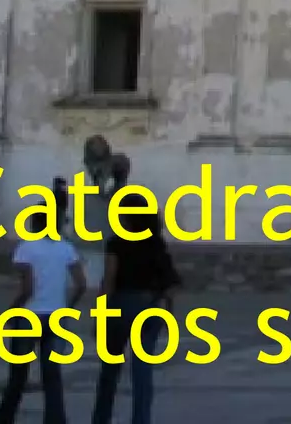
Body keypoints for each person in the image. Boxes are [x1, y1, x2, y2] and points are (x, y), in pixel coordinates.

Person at [90, 157, 178, 424]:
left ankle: (101, 418)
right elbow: (170, 284)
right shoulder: (156, 243)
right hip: (151, 306)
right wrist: (168, 316)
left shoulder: (117, 243)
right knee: (143, 373)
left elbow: (109, 280)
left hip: (121, 306)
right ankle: (141, 419)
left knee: (110, 370)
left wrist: (98, 314)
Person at [0, 195, 85, 424]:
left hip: (29, 315)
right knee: (52, 375)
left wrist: (12, 310)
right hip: (56, 316)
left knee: (18, 375)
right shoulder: (66, 249)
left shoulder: (26, 249)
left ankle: (4, 418)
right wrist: (67, 307)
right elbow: (81, 284)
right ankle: (55, 419)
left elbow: (27, 288)